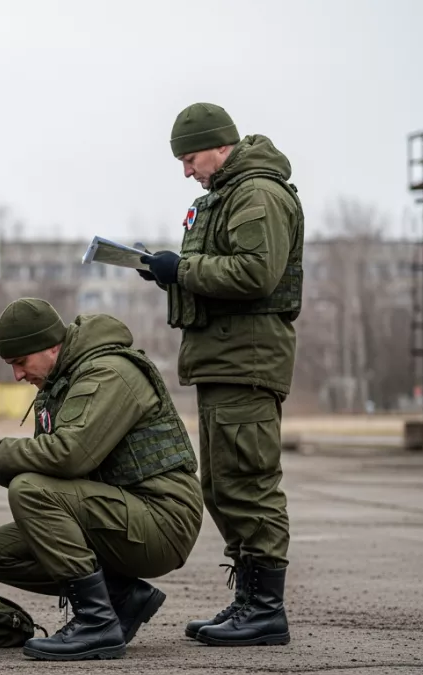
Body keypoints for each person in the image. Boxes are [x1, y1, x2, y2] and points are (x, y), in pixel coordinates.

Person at [0, 299, 203, 661]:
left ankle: (96, 623)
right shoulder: (60, 384)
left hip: (161, 522)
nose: (18, 375)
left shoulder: (109, 372)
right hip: (120, 512)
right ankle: (122, 597)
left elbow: (69, 456)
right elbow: (50, 469)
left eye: (21, 362)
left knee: (29, 491)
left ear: (52, 345)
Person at [138, 102, 302, 647]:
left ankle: (265, 610)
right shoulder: (228, 195)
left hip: (248, 360)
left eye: (190, 158)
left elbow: (256, 273)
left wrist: (179, 269)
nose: (187, 170)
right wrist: (171, 275)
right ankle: (250, 603)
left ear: (219, 146)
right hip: (225, 359)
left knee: (249, 484)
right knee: (224, 486)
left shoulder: (257, 193)